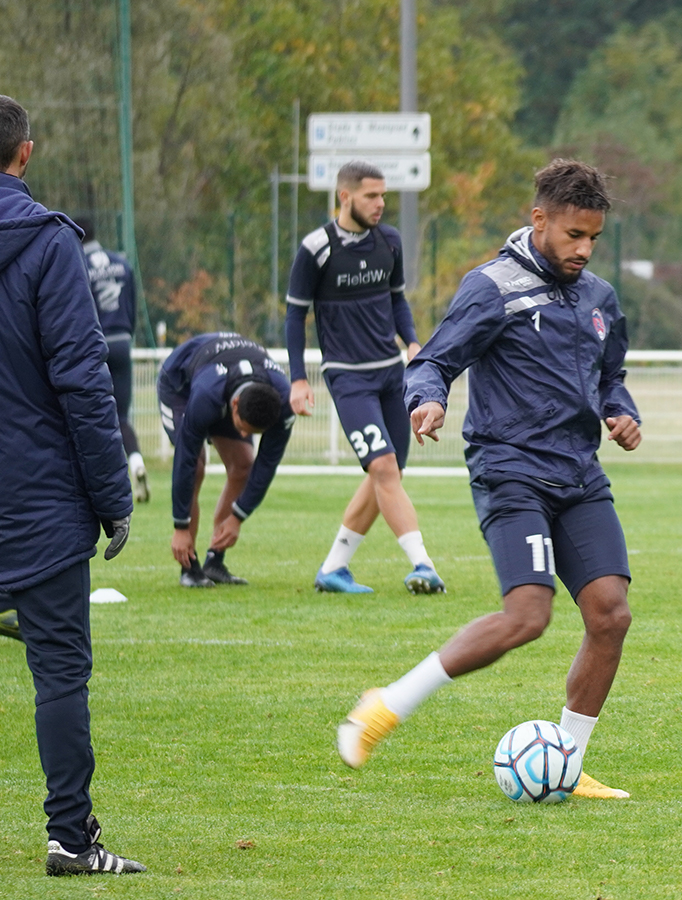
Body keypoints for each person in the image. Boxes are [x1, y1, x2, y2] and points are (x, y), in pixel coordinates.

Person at [337, 159, 642, 800]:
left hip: (579, 474)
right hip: (512, 472)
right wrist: (429, 400)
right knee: (527, 615)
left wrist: (621, 411)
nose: (584, 250)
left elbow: (611, 377)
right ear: (539, 220)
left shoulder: (600, 299)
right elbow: (436, 361)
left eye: (594, 238)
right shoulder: (492, 287)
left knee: (610, 615)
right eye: (572, 236)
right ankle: (386, 703)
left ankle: (568, 762)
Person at [0, 95, 144, 876]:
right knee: (59, 671)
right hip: (37, 495)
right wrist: (111, 497)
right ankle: (71, 841)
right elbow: (83, 381)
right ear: (26, 154)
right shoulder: (49, 243)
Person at [286, 160, 444, 596]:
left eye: (383, 196)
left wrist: (412, 343)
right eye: (371, 196)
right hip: (348, 379)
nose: (380, 204)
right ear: (344, 196)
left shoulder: (388, 242)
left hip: (391, 375)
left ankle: (334, 568)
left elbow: (397, 302)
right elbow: (294, 316)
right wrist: (298, 379)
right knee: (383, 466)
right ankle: (423, 565)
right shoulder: (315, 249)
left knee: (386, 474)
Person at [159, 332, 295, 587]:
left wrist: (238, 517)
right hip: (181, 384)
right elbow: (184, 460)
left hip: (230, 379)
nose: (243, 435)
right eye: (242, 427)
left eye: (252, 433)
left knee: (243, 463)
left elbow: (266, 464)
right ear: (234, 405)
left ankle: (214, 561)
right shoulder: (205, 398)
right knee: (197, 466)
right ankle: (188, 566)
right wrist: (180, 526)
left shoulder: (284, 403)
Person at [77, 217, 149, 503]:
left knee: (91, 413)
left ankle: (101, 478)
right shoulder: (120, 262)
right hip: (122, 341)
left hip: (96, 343)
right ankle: (136, 461)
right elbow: (131, 306)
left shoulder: (79, 265)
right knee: (121, 415)